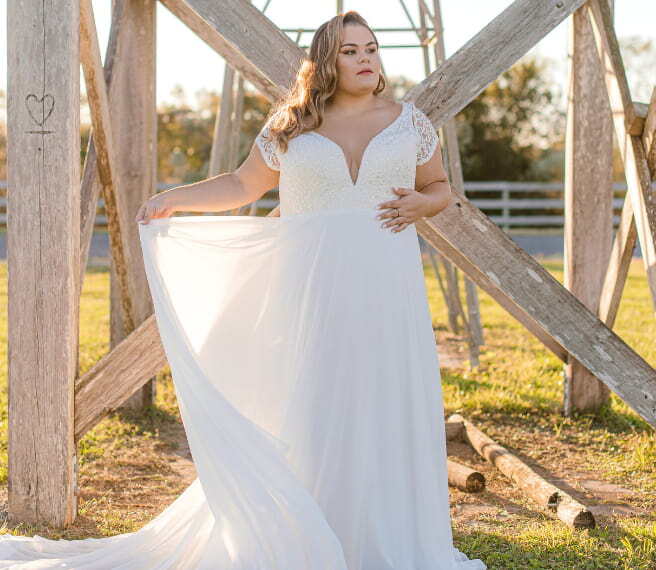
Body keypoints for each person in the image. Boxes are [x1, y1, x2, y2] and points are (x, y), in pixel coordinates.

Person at [0, 10, 486, 570]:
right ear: (325, 62)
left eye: (371, 48)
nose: (366, 58)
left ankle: (380, 535)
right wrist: (175, 198)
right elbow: (241, 185)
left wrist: (421, 204)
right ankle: (309, 532)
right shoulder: (293, 124)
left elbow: (441, 189)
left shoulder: (409, 122)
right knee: (312, 403)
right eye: (351, 50)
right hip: (310, 288)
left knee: (382, 399)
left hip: (386, 285)